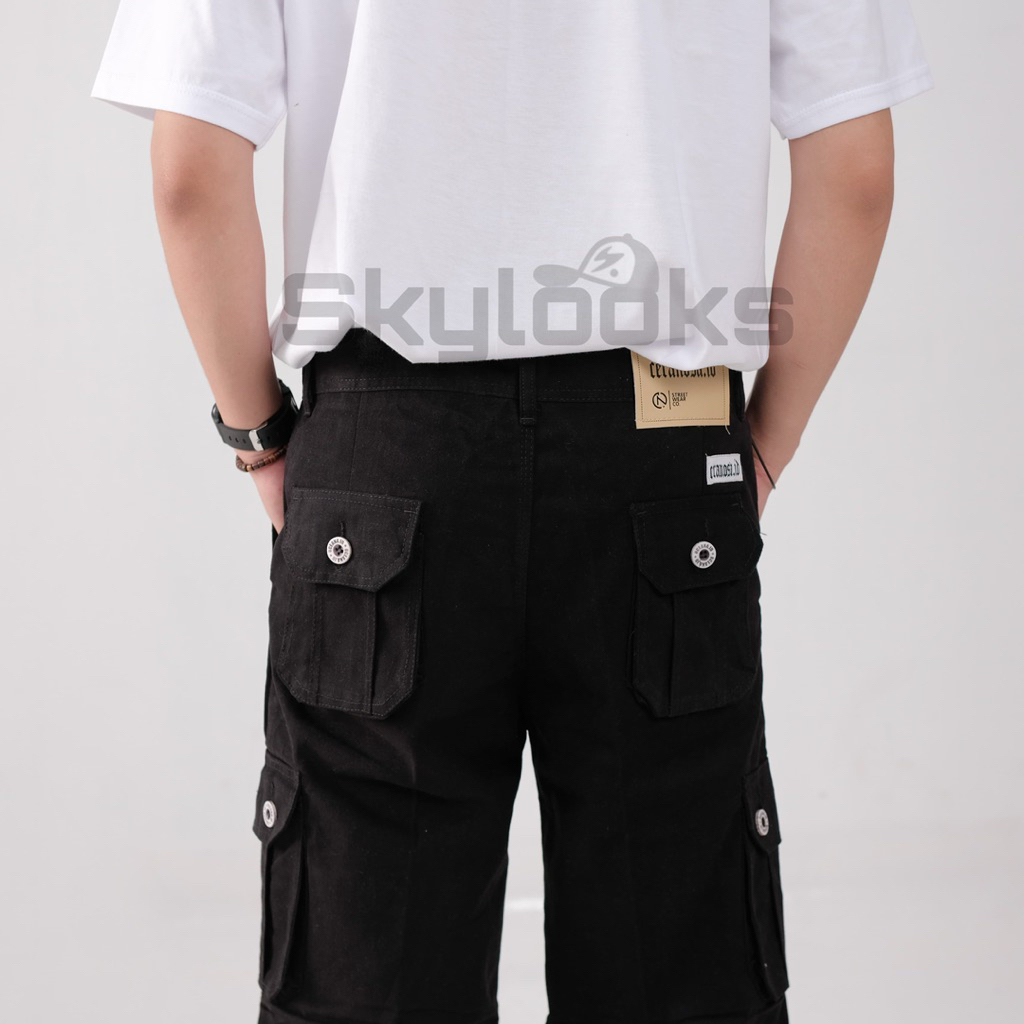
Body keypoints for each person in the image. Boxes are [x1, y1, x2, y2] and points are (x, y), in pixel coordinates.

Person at [90, 3, 933, 1022]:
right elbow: (855, 171)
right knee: (675, 972)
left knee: (369, 982)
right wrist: (762, 442)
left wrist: (259, 432)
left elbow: (189, 170)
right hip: (660, 440)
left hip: (385, 454)